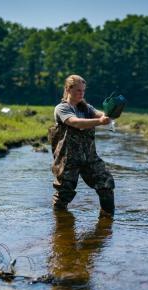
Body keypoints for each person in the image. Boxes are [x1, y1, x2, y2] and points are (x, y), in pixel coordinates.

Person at [50, 74, 115, 218]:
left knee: (106, 183)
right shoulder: (61, 108)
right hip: (68, 159)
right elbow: (75, 122)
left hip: (89, 157)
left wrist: (110, 113)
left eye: (83, 90)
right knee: (64, 195)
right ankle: (60, 230)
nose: (81, 94)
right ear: (68, 89)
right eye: (78, 90)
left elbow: (101, 114)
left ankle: (107, 221)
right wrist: (100, 122)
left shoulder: (87, 108)